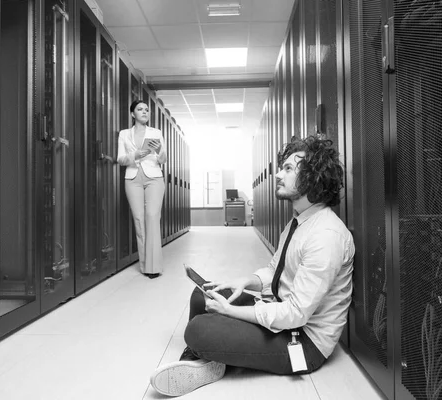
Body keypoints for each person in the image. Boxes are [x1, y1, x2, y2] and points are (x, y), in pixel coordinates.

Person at [149, 135, 354, 396]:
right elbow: (274, 269)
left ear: (313, 177)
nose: (278, 175)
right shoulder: (299, 221)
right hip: (279, 311)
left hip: (303, 341)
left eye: (289, 169)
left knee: (198, 329)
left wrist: (230, 312)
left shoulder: (326, 235)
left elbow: (295, 315)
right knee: (203, 295)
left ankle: (202, 354)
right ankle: (207, 357)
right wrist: (244, 282)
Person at [117, 100, 167, 279]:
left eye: (147, 110)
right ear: (133, 114)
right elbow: (120, 159)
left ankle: (154, 267)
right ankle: (145, 265)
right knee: (139, 221)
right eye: (140, 109)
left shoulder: (156, 133)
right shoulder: (124, 134)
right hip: (132, 178)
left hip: (154, 177)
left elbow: (163, 160)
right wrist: (134, 155)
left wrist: (159, 149)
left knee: (152, 217)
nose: (145, 112)